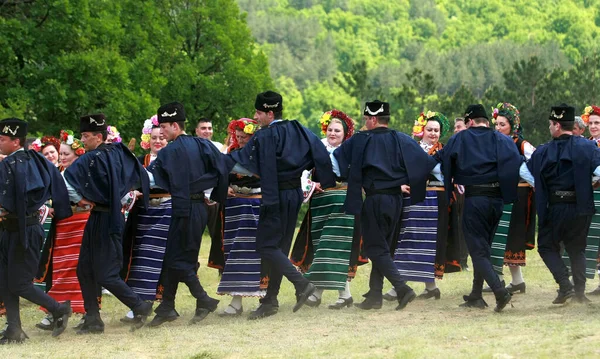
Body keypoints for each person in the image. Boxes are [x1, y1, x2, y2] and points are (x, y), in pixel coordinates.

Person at [229, 91, 335, 319]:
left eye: (258, 113)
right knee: (280, 248)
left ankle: (301, 284)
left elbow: (242, 166)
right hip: (294, 194)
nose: (255, 118)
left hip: (274, 195)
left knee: (266, 246)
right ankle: (270, 301)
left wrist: (212, 165)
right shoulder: (298, 128)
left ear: (269, 113)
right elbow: (321, 153)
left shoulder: (264, 136)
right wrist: (323, 179)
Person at [332, 100, 433, 311]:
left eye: (366, 119)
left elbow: (336, 159)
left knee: (373, 247)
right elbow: (426, 163)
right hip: (396, 200)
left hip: (375, 199)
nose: (365, 123)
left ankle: (402, 288)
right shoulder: (401, 139)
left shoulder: (361, 140)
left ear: (373, 119)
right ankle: (375, 295)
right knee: (383, 248)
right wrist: (408, 180)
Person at [64, 114, 152, 334]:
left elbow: (64, 180)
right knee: (84, 268)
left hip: (106, 219)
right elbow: (145, 177)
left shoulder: (90, 158)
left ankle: (139, 305)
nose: (83, 140)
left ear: (99, 136)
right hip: (105, 217)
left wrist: (81, 200)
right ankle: (93, 319)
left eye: (86, 136)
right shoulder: (121, 153)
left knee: (106, 273)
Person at [147, 102, 229, 327]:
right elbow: (222, 168)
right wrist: (213, 194)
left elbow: (152, 181)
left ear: (175, 125)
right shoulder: (203, 145)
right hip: (200, 208)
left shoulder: (168, 153)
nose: (161, 131)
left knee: (176, 258)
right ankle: (167, 306)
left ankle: (203, 299)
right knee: (181, 257)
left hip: (183, 208)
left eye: (163, 127)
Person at [436, 104, 522, 312]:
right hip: (497, 201)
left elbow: (442, 158)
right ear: (486, 120)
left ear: (470, 121)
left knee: (477, 250)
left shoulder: (461, 138)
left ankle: (500, 292)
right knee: (482, 248)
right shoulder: (503, 139)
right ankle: (476, 294)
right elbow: (517, 162)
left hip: (475, 199)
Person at [0, 118, 73, 343]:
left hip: (24, 229)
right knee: (4, 279)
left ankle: (59, 309)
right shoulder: (36, 160)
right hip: (15, 228)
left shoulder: (12, 164)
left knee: (19, 283)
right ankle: (14, 329)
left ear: (15, 141)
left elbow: (10, 200)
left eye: (2, 139)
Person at [521, 104, 600, 304]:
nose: (549, 127)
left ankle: (565, 285)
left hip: (554, 207)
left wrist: (539, 185)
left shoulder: (542, 151)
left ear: (557, 125)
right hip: (580, 206)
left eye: (550, 124)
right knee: (577, 248)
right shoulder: (589, 146)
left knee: (547, 247)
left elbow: (522, 171)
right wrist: (588, 182)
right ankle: (579, 294)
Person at [291, 109, 362, 309]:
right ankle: (327, 294)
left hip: (342, 201)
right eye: (330, 129)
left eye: (337, 131)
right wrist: (311, 185)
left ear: (345, 133)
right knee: (322, 246)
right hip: (321, 202)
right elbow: (303, 172)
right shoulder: (317, 148)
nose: (332, 133)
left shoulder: (351, 150)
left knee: (335, 246)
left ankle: (338, 294)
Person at [388, 111, 455, 300]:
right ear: (421, 130)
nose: (433, 133)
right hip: (412, 199)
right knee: (407, 240)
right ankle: (409, 286)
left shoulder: (444, 151)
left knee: (429, 244)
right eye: (430, 129)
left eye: (437, 130)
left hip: (435, 200)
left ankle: (425, 286)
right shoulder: (411, 148)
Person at [35, 130, 88, 330]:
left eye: (67, 154)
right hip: (63, 225)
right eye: (62, 153)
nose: (63, 157)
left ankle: (86, 312)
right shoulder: (57, 173)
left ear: (77, 154)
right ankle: (55, 311)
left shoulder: (83, 173)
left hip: (81, 223)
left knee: (80, 270)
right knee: (58, 270)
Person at [481, 103, 536, 295]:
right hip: (498, 193)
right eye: (496, 124)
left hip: (518, 196)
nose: (498, 128)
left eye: (502, 124)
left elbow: (537, 162)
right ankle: (504, 279)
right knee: (496, 236)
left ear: (512, 126)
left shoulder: (521, 144)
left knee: (511, 237)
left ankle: (516, 280)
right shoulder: (493, 143)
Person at [120, 116, 169, 322]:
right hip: (142, 212)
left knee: (157, 259)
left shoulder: (172, 160)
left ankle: (161, 303)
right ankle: (137, 304)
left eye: (161, 138)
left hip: (166, 210)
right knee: (139, 258)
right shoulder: (139, 161)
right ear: (147, 139)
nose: (157, 141)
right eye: (154, 137)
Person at [216, 118, 265, 316]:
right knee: (235, 251)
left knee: (258, 250)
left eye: (244, 137)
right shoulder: (231, 154)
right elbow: (221, 175)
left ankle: (265, 298)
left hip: (256, 204)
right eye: (237, 137)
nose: (241, 140)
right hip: (235, 206)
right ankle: (236, 302)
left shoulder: (261, 154)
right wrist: (225, 186)